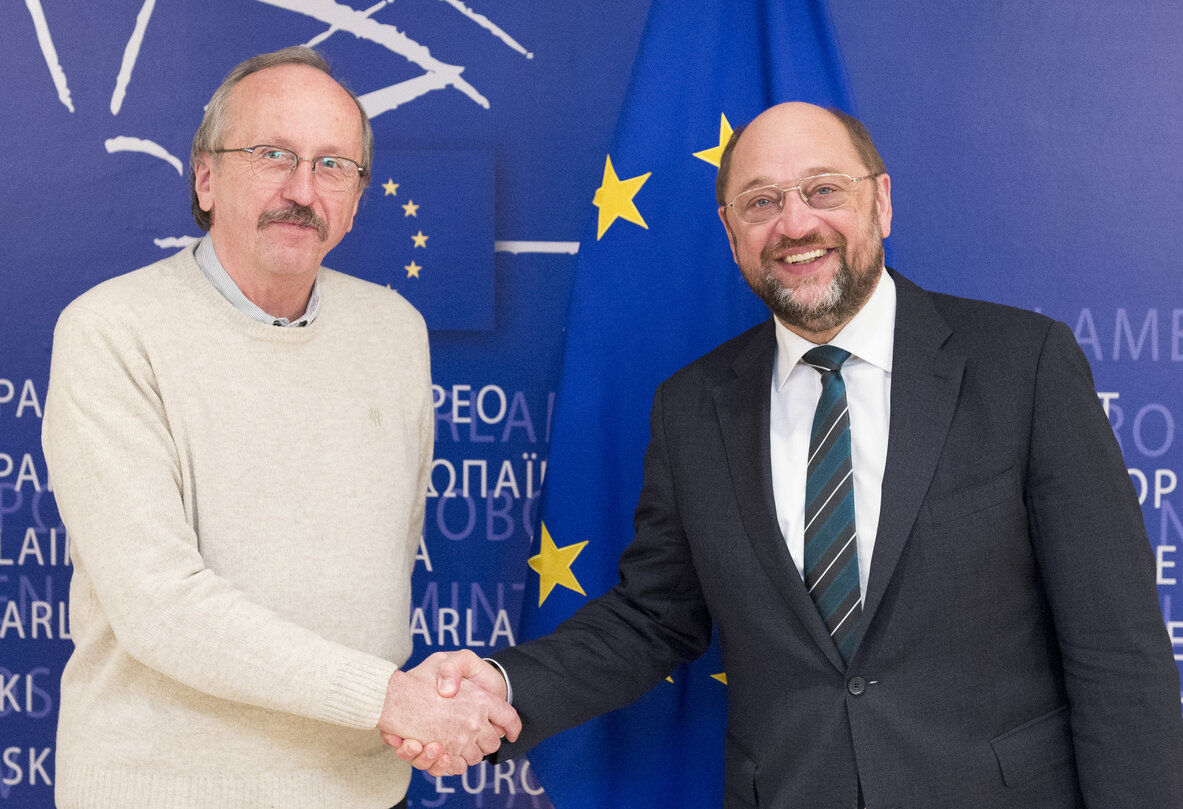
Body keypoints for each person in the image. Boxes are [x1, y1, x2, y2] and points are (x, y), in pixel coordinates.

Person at [390, 103, 1183, 808]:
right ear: (731, 234)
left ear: (880, 200)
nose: (794, 223)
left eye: (822, 190)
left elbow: (1116, 649)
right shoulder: (692, 406)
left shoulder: (1023, 364)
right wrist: (500, 686)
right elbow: (650, 618)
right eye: (761, 202)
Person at [41, 46, 518, 809]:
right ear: (205, 176)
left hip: (361, 789)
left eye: (334, 165)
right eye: (273, 155)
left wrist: (400, 707)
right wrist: (389, 698)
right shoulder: (110, 331)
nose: (302, 190)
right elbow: (159, 604)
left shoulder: (394, 331)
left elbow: (384, 568)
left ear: (358, 196)